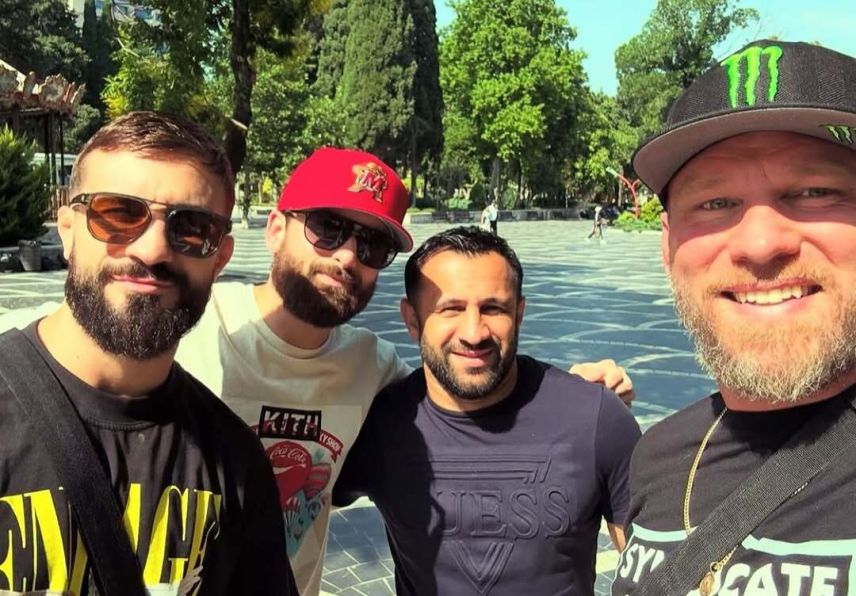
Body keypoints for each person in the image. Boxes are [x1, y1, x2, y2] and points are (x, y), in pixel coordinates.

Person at [0, 147, 635, 595]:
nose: (347, 256)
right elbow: (68, 337)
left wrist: (571, 398)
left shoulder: (376, 372)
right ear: (276, 227)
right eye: (328, 228)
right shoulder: (177, 322)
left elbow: (462, 392)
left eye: (372, 244)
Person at [0, 111, 296, 594]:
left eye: (193, 227)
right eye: (118, 213)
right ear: (68, 229)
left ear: (220, 258)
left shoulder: (236, 462)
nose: (153, 250)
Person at [611, 40, 856, 595]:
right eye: (716, 203)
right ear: (668, 246)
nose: (761, 243)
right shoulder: (654, 459)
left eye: (814, 191)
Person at [334, 226, 641, 595]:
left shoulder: (594, 418)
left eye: (493, 308)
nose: (474, 332)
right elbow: (297, 511)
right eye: (450, 309)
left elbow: (655, 572)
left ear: (519, 313)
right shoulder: (378, 424)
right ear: (412, 320)